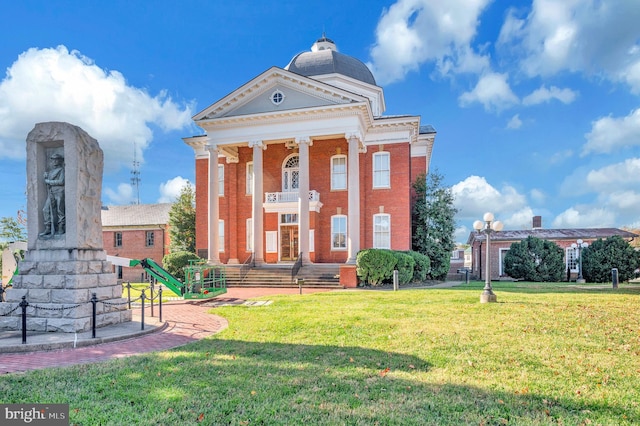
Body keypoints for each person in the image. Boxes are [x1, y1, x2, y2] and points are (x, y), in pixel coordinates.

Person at [39, 153, 65, 237]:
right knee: (45, 210)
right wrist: (46, 177)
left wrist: (49, 181)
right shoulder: (50, 171)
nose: (54, 161)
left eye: (56, 159)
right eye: (53, 159)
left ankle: (61, 227)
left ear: (60, 161)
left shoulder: (61, 170)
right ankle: (48, 228)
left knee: (59, 210)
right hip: (51, 192)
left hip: (59, 191)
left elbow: (61, 181)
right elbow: (47, 182)